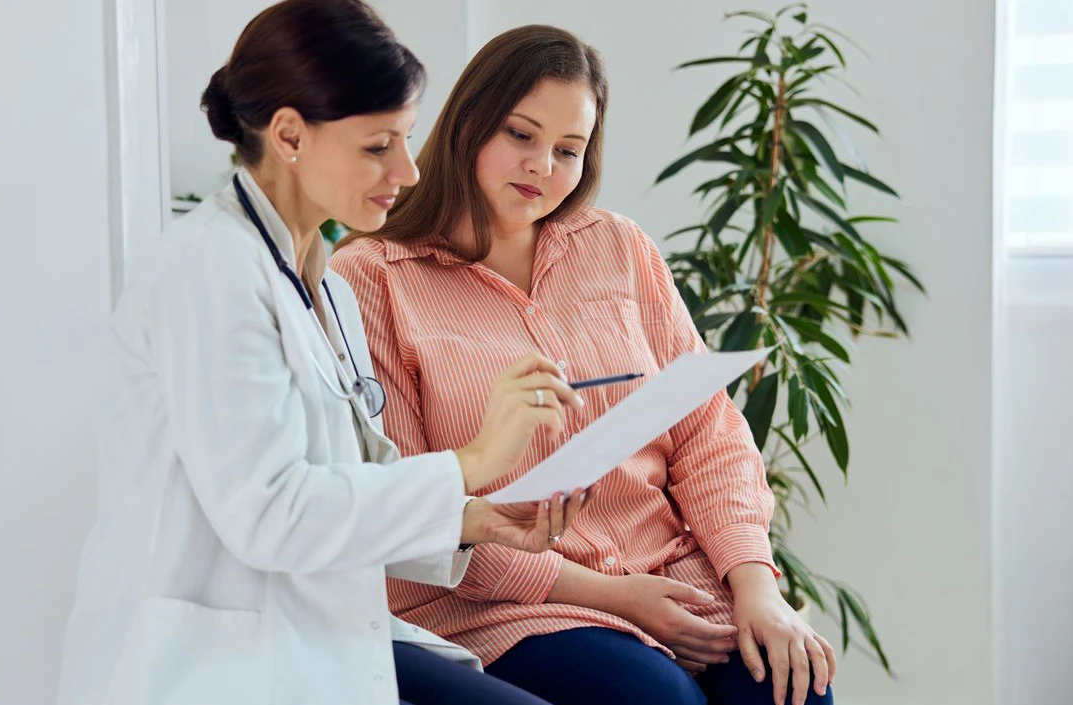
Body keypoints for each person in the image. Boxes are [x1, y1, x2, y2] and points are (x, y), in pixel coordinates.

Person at [55, 4, 592, 705]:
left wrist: (473, 515)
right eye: (377, 146)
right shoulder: (209, 271)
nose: (405, 168)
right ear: (288, 134)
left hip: (314, 636)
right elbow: (272, 513)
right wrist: (471, 463)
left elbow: (356, 480)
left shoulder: (326, 284)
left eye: (404, 139)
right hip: (209, 663)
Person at [330, 24, 836, 705]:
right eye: (520, 134)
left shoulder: (619, 248)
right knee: (656, 700)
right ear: (468, 122)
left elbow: (708, 436)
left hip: (670, 570)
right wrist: (613, 597)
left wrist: (756, 586)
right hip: (508, 602)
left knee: (792, 686)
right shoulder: (371, 277)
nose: (542, 165)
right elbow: (411, 499)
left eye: (567, 149)